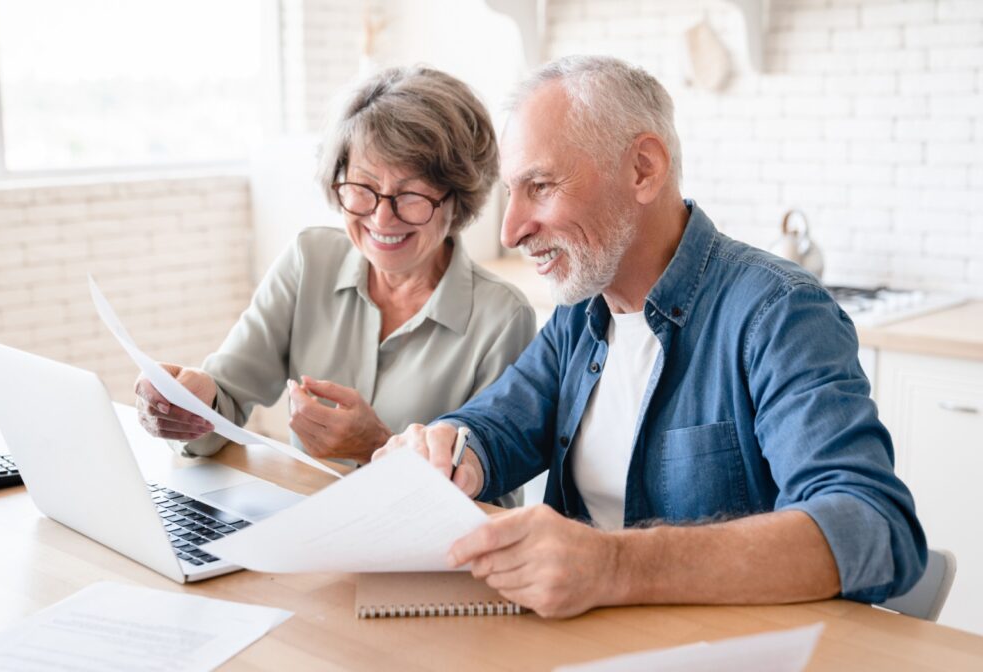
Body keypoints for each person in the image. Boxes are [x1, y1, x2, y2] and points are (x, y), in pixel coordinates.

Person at [374, 55, 927, 617]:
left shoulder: (777, 313)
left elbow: (873, 528)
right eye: (511, 193)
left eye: (539, 186)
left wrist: (614, 566)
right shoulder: (583, 309)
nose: (511, 230)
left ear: (643, 168)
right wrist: (449, 448)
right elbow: (498, 426)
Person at [134, 66, 536, 497]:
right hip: (306, 533)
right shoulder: (309, 262)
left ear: (457, 200)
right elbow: (224, 401)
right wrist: (191, 404)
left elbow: (491, 509)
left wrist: (376, 447)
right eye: (362, 187)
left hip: (421, 557)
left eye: (411, 195)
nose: (382, 218)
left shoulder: (502, 318)